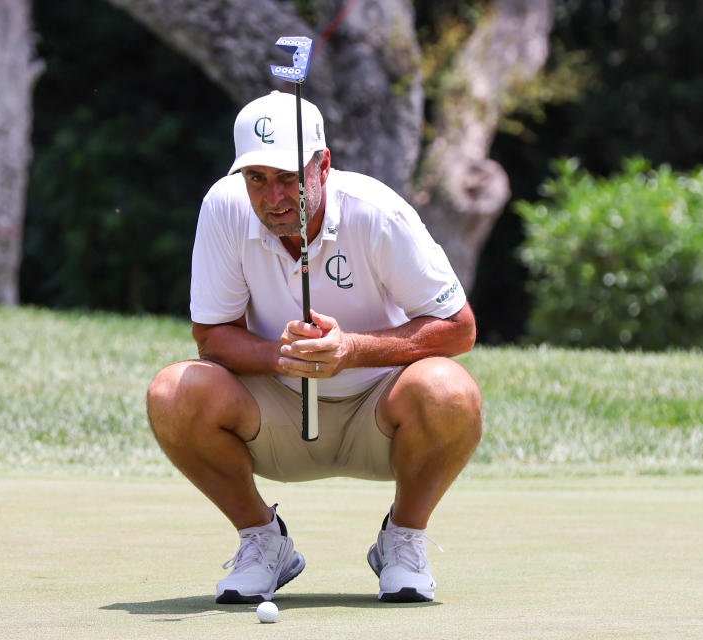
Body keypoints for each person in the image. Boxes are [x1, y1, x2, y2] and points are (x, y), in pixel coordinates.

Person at [146, 90, 483, 604]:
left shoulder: (378, 212)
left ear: (322, 165)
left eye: (287, 178)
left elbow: (459, 327)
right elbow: (212, 336)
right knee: (173, 391)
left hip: (382, 415)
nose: (273, 197)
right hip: (273, 414)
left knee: (450, 391)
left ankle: (403, 540)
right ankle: (263, 541)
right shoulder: (224, 208)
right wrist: (277, 357)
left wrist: (351, 349)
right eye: (257, 179)